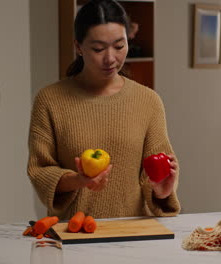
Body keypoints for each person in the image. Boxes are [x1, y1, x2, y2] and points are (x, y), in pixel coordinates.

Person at [27, 0, 180, 220]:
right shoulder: (50, 100)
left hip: (133, 234)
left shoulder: (148, 101)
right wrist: (78, 181)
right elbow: (40, 170)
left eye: (119, 46)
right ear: (78, 47)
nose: (110, 58)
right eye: (98, 49)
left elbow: (156, 170)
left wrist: (162, 192)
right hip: (72, 232)